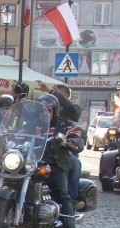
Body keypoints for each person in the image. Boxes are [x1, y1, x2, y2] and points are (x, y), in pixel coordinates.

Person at [36, 94, 78, 228]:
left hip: (56, 163)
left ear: (54, 110)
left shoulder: (63, 124)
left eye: (47, 110)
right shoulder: (32, 124)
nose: (44, 114)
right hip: (33, 163)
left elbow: (76, 136)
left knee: (62, 192)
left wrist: (71, 142)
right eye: (41, 111)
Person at [37, 81, 85, 211]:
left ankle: (71, 199)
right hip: (44, 151)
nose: (57, 96)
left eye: (61, 94)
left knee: (75, 163)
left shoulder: (72, 110)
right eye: (57, 93)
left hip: (64, 151)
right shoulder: (45, 109)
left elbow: (75, 135)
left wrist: (53, 92)